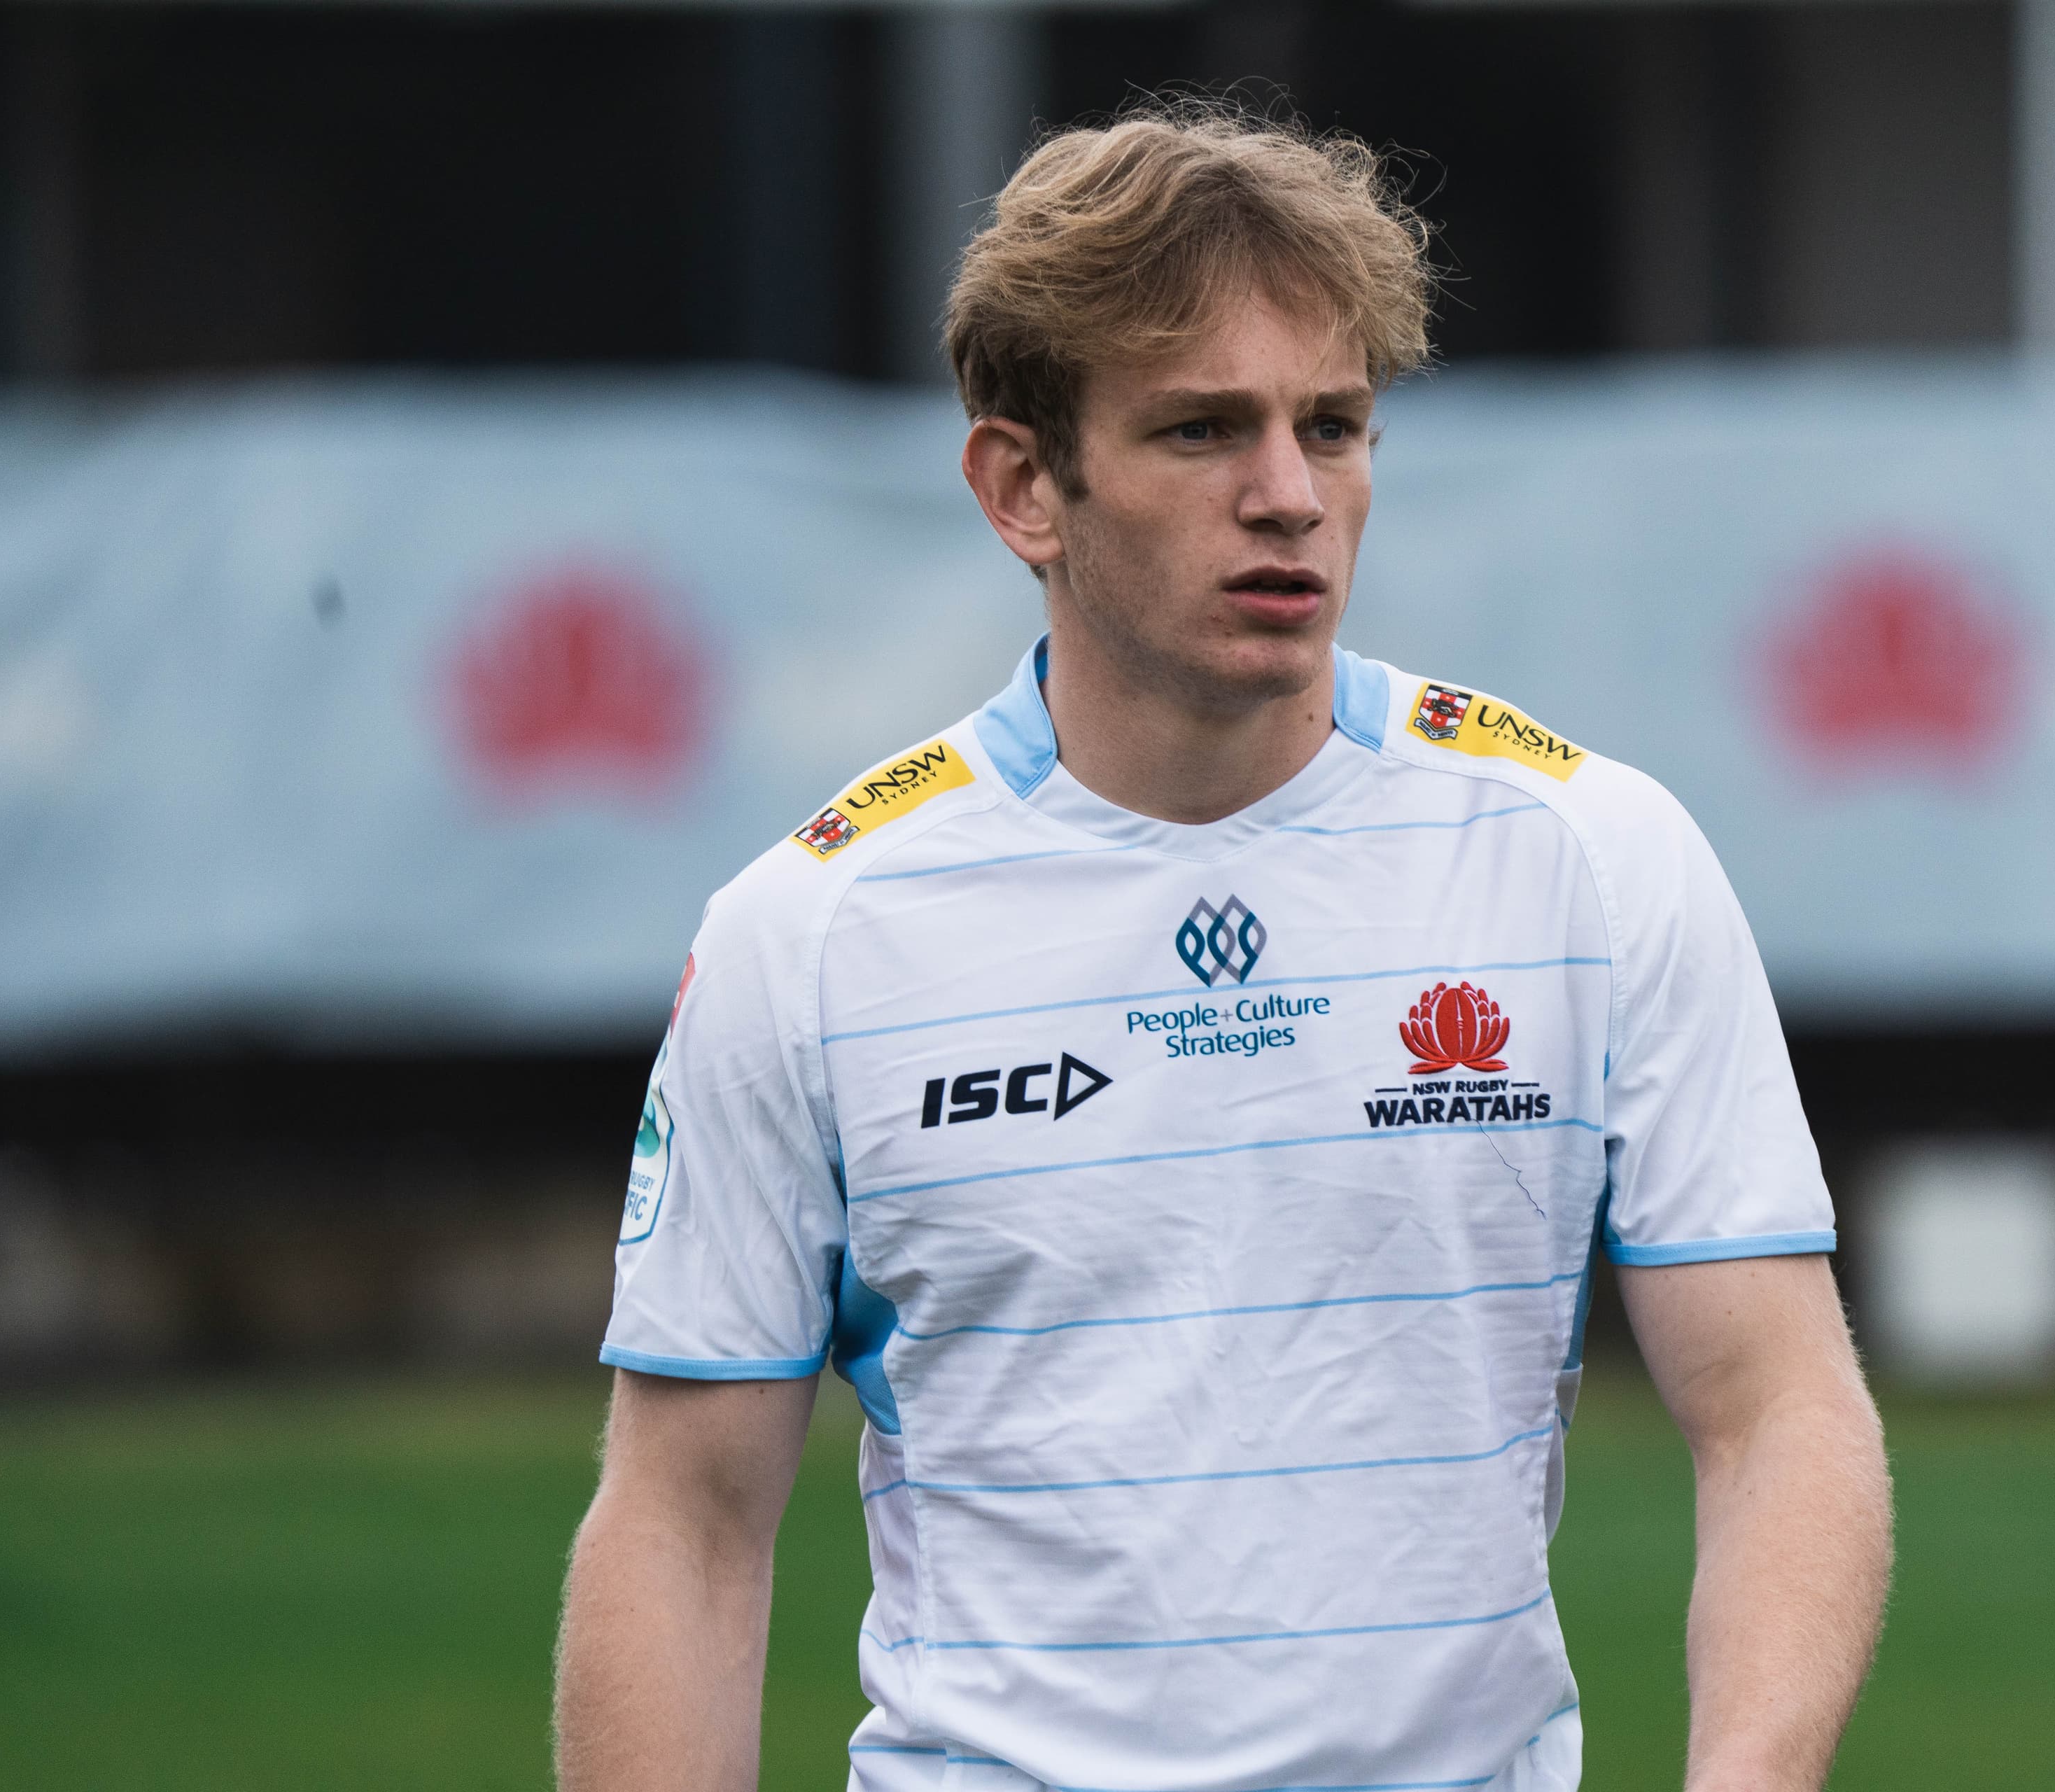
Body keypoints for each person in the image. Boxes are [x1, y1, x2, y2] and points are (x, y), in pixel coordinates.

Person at [556, 103, 1891, 1792]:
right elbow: (685, 1520)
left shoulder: (1592, 859)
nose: (1290, 496)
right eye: (1204, 432)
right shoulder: (808, 933)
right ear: (1023, 483)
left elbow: (1780, 1406)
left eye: (1333, 427)